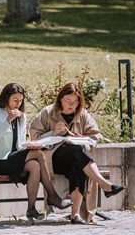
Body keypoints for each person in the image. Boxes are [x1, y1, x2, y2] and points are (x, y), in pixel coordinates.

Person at [29, 83, 124, 225]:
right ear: (60, 99)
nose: (71, 105)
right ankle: (104, 184)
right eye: (68, 101)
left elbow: (95, 137)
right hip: (51, 160)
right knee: (76, 151)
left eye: (75, 102)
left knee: (77, 165)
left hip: (76, 158)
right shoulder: (47, 113)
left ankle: (75, 215)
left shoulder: (83, 115)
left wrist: (83, 139)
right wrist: (52, 133)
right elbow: (34, 137)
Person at [0, 83, 71, 222]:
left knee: (35, 166)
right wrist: (8, 120)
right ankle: (53, 196)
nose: (18, 104)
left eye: (20, 100)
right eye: (15, 100)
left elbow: (19, 144)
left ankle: (31, 209)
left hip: (16, 158)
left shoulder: (22, 116)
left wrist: (30, 146)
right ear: (6, 98)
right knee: (38, 155)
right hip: (0, 161)